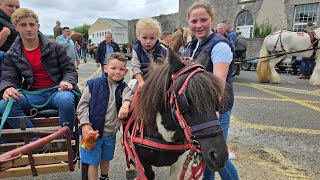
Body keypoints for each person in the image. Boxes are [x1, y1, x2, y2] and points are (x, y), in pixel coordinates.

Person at [0, 8, 78, 132]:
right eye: (23, 25)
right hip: (32, 95)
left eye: (32, 24)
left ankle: (66, 141)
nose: (28, 28)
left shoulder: (55, 48)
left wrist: (67, 81)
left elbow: (69, 69)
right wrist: (7, 88)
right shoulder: (11, 54)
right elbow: (8, 77)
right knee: (4, 105)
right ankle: (35, 141)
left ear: (38, 26)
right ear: (16, 27)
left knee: (66, 100)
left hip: (57, 91)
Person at [185, 1, 239, 180]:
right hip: (202, 109)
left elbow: (218, 83)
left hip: (217, 109)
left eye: (203, 20)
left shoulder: (220, 46)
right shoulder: (194, 45)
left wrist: (215, 110)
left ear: (212, 20)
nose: (198, 25)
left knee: (217, 155)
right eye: (194, 21)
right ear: (189, 23)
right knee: (206, 153)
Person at [77, 52, 132, 180]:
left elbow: (128, 96)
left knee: (106, 158)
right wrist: (85, 124)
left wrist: (125, 105)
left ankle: (104, 177)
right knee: (93, 162)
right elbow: (82, 105)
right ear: (105, 68)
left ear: (126, 71)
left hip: (110, 134)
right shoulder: (93, 84)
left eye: (121, 69)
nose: (117, 72)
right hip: (92, 133)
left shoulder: (123, 88)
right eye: (113, 68)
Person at [131, 17, 167, 88]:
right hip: (142, 79)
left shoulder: (163, 50)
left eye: (152, 38)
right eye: (144, 38)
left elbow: (166, 67)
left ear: (157, 37)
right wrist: (141, 82)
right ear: (139, 37)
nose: (148, 41)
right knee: (132, 92)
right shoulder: (136, 50)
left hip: (159, 81)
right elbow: (135, 67)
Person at [0, 0, 19, 74]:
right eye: (10, 6)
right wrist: (4, 33)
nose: (14, 9)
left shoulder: (12, 20)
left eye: (17, 7)